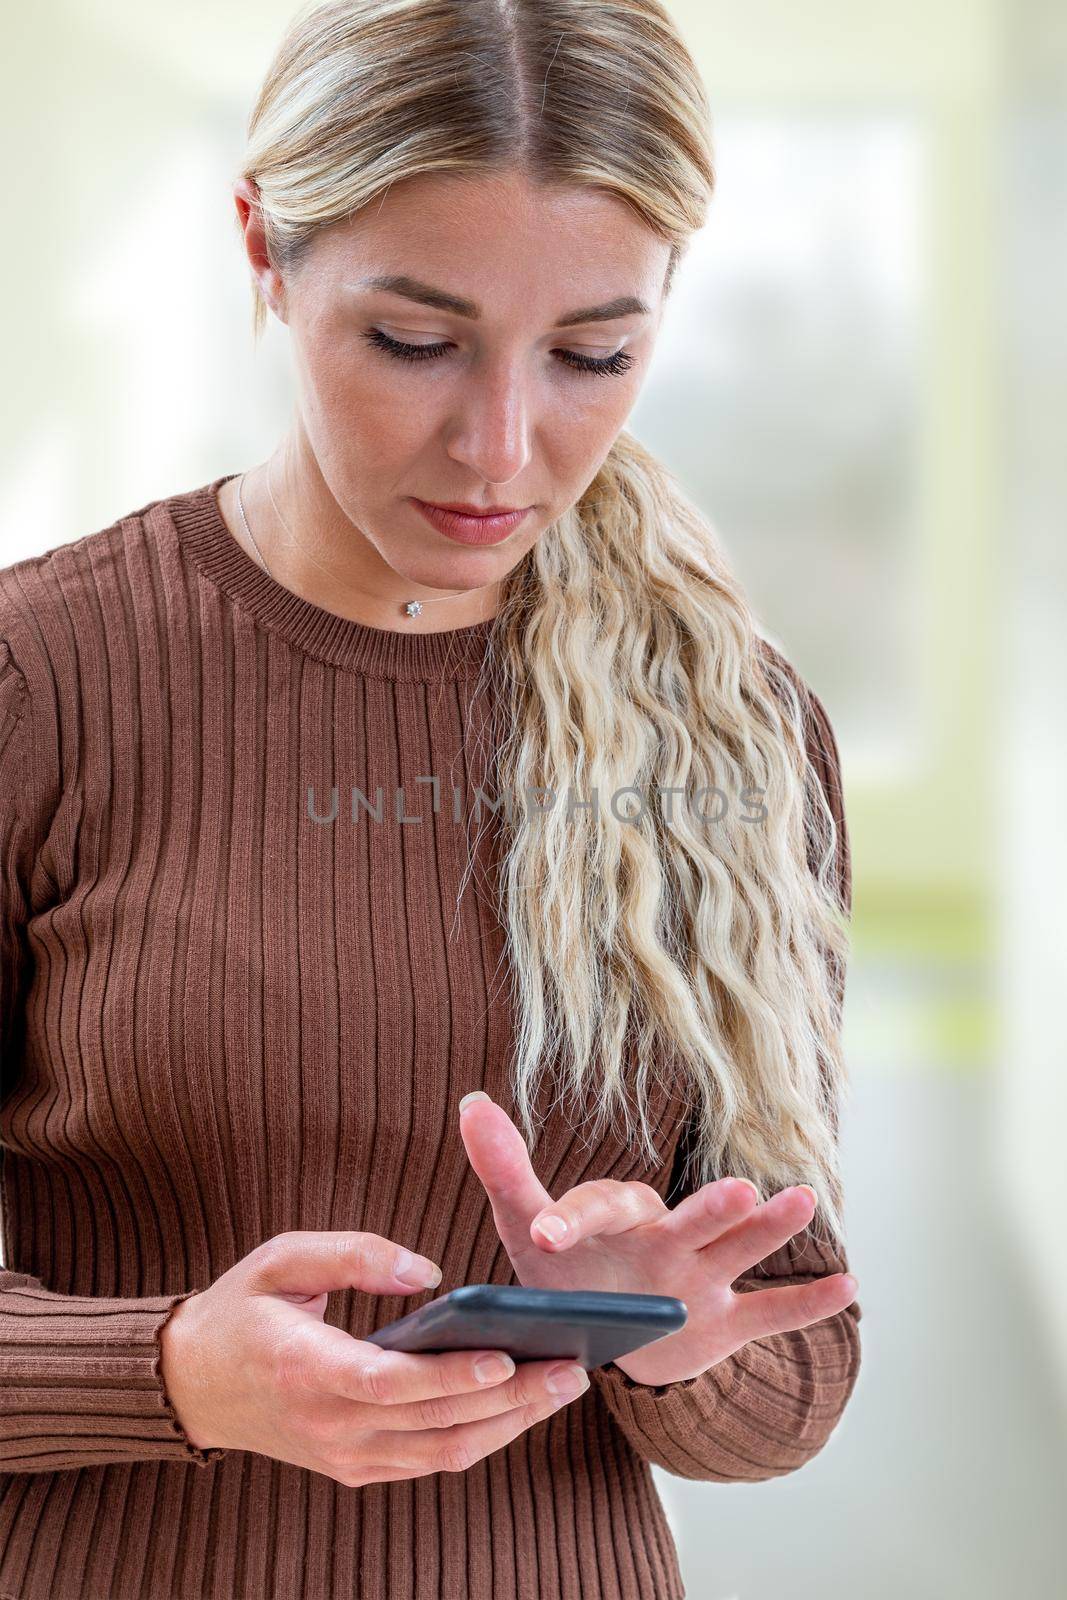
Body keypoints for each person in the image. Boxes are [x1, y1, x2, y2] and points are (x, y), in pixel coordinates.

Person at [0, 1, 863, 1595]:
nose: (503, 448)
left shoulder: (739, 737)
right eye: (414, 341)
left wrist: (660, 1335)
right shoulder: (37, 681)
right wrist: (176, 1368)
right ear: (264, 247)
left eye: (595, 354)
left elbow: (799, 1369)